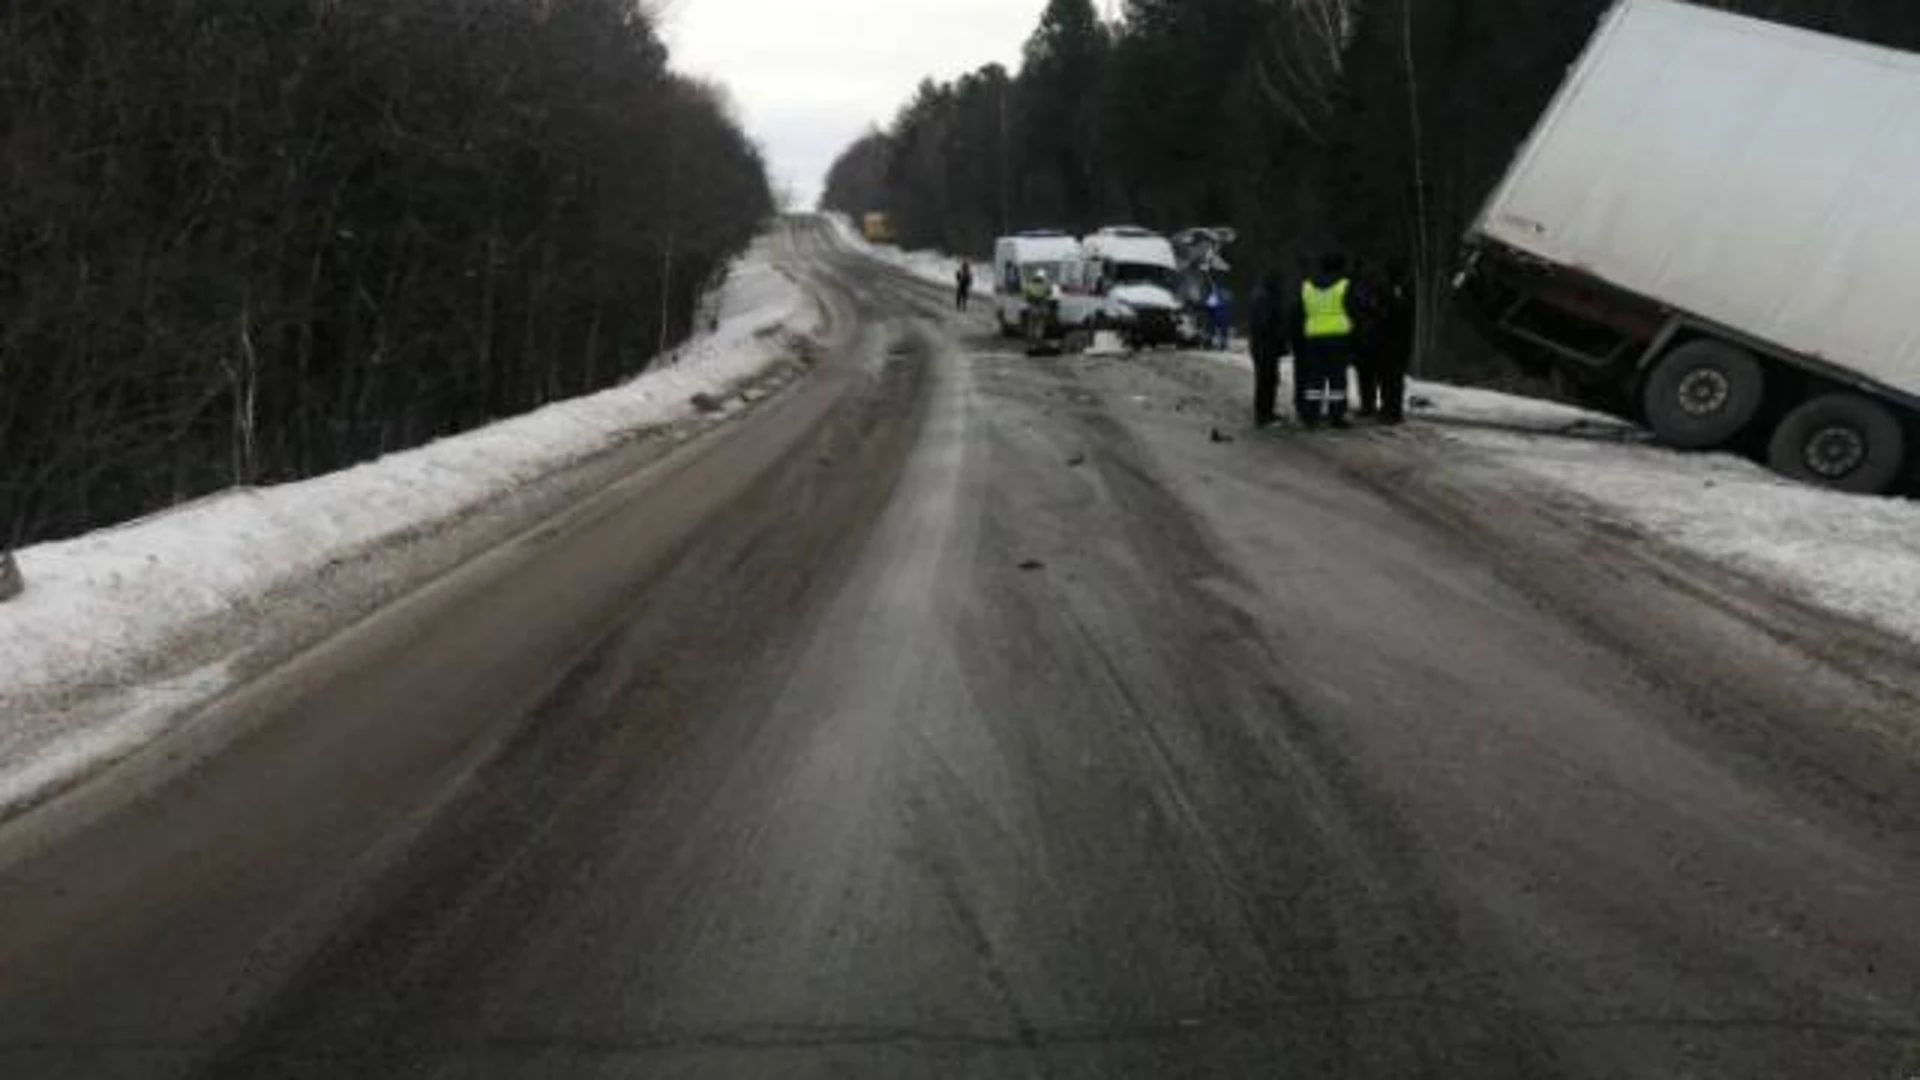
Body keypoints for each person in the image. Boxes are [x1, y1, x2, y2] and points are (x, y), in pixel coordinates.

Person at [1288, 252, 1358, 429]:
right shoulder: (1344, 285)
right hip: (1337, 338)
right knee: (1337, 379)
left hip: (1314, 338)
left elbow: (1298, 310)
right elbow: (1354, 309)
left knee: (1314, 379)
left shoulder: (1308, 286)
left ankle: (1311, 416)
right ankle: (1337, 416)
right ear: (1340, 267)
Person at [1359, 258, 1415, 423]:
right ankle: (1394, 410)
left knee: (1386, 378)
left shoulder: (1382, 290)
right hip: (1400, 341)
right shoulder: (1406, 291)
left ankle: (1388, 410)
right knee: (1395, 379)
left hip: (1385, 341)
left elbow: (1375, 312)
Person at [1248, 271, 1286, 427]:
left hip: (1262, 345)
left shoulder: (1261, 297)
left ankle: (1265, 412)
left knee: (1266, 380)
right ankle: (1264, 414)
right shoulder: (1265, 299)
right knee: (1267, 380)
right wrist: (1278, 335)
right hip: (1266, 346)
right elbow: (1265, 324)